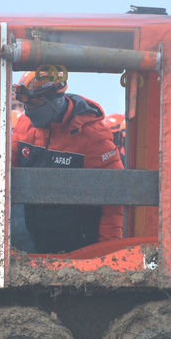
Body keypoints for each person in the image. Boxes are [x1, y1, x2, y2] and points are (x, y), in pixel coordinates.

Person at [11, 65, 124, 254]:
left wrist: (108, 253)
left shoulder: (94, 137)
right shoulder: (25, 126)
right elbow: (3, 162)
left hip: (80, 249)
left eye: (34, 105)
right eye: (25, 105)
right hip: (36, 242)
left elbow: (114, 198)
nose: (28, 112)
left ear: (54, 102)